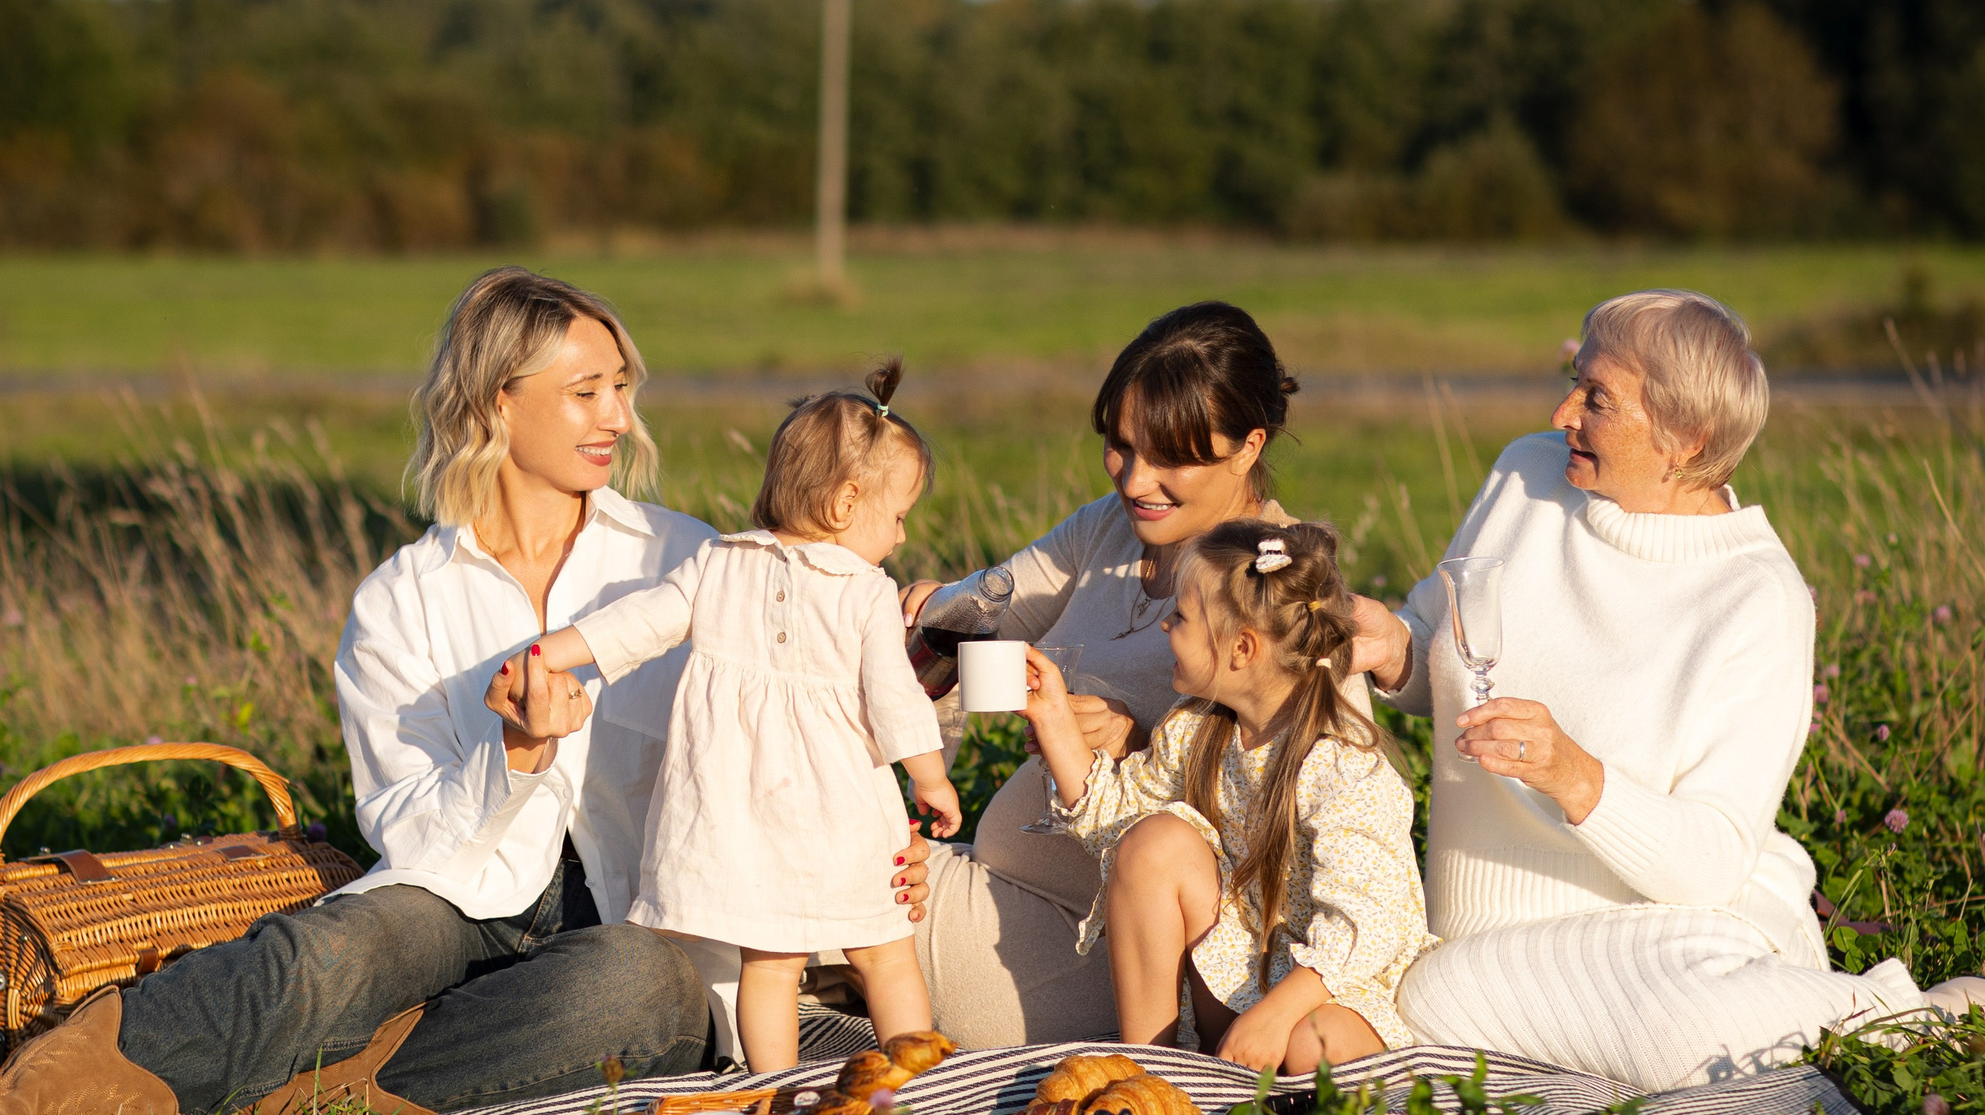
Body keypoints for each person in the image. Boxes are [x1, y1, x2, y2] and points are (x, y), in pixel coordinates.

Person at [0, 267, 931, 1115]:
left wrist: (913, 772)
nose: (616, 414)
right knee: (340, 943)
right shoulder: (401, 601)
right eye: (584, 391)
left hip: (632, 916)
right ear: (498, 405)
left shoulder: (692, 561)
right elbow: (404, 829)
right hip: (457, 888)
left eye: (620, 389)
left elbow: (818, 707)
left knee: (637, 984)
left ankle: (284, 1085)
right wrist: (508, 758)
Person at [1351, 289, 1985, 1092]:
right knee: (1429, 998)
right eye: (1576, 382)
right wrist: (1392, 647)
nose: (1563, 410)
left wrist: (1574, 775)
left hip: (1664, 935)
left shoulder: (1757, 599)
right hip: (1476, 943)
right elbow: (1448, 658)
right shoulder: (1526, 475)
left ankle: (1928, 1017)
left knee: (1516, 1009)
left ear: (1684, 437)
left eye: (1597, 398)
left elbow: (1710, 864)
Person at [895, 301, 1368, 1045]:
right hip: (1011, 886)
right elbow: (982, 628)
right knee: (841, 877)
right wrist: (931, 620)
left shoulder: (1278, 593)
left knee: (830, 896)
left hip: (1113, 957)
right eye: (1120, 445)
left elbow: (1319, 806)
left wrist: (1139, 737)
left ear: (1249, 446)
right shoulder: (1107, 529)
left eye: (1172, 456)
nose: (1136, 479)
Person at [520, 362, 962, 1071]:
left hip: (742, 815)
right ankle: (917, 1086)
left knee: (772, 964)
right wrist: (930, 776)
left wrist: (550, 653)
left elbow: (636, 625)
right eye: (899, 516)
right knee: (883, 951)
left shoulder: (717, 563)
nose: (902, 538)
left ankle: (775, 1093)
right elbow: (894, 696)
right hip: (840, 804)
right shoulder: (866, 591)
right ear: (849, 502)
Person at [1024, 519, 1430, 1070]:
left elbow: (1366, 925)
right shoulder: (1196, 729)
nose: (1165, 623)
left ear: (1241, 648)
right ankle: (1147, 1072)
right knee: (1153, 841)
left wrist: (1274, 1016)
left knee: (1314, 1044)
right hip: (1244, 977)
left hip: (1334, 989)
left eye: (1182, 616)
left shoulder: (1342, 764)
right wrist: (1052, 717)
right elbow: (1110, 820)